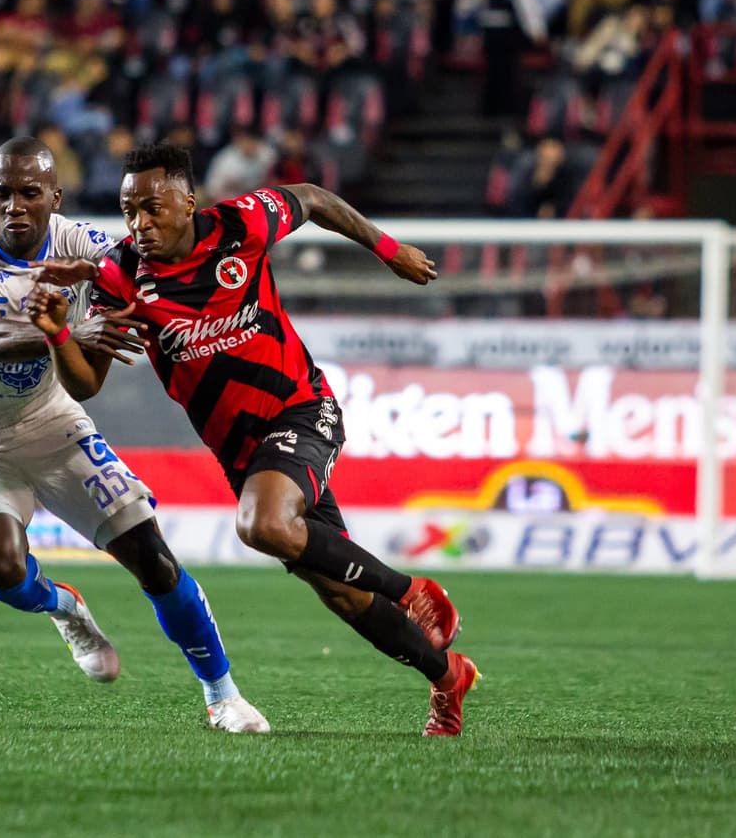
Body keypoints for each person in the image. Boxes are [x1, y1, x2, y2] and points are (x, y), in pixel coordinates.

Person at [27, 143, 479, 737]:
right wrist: (59, 333)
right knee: (340, 594)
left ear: (188, 202)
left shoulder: (241, 224)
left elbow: (315, 200)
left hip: (302, 410)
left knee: (260, 525)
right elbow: (84, 384)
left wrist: (387, 250)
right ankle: (447, 676)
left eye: (153, 208)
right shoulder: (120, 276)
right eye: (128, 209)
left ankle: (417, 591)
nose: (140, 223)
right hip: (244, 456)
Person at [0, 136, 268, 733]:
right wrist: (66, 334)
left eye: (30, 193)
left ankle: (222, 695)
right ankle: (65, 608)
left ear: (56, 196)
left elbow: (162, 271)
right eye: (3, 194)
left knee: (152, 559)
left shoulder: (91, 246)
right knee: (0, 563)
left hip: (51, 422)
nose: (15, 206)